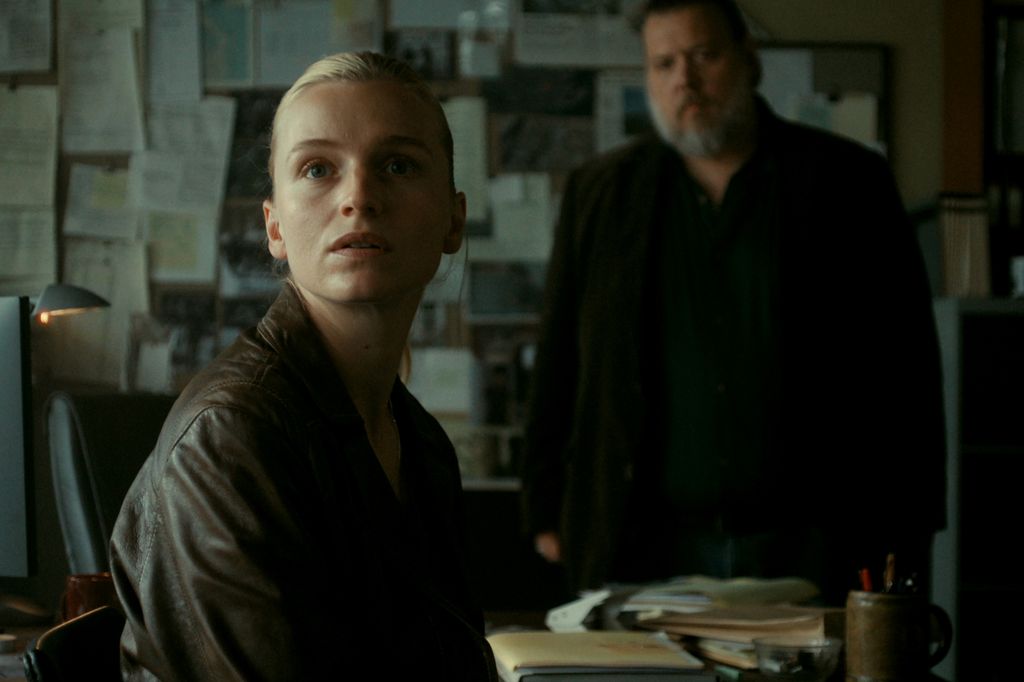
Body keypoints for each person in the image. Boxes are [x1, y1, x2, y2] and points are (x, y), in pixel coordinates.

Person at [521, 0, 946, 606]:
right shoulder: (602, 193)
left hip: (815, 542)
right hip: (645, 545)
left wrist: (913, 525)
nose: (684, 80)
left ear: (749, 58)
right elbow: (559, 358)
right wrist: (543, 506)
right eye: (664, 63)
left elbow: (907, 367)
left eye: (704, 56)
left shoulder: (850, 182)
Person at [110, 52, 497, 680]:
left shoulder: (422, 442)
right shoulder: (229, 437)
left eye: (398, 165)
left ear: (453, 220)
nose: (359, 197)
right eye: (318, 169)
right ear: (275, 228)